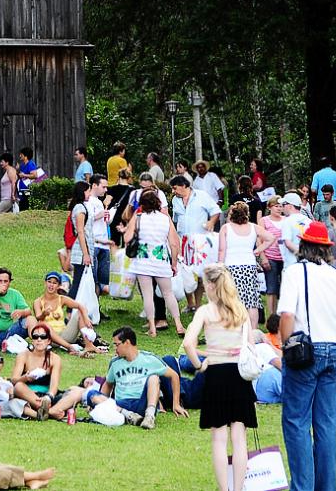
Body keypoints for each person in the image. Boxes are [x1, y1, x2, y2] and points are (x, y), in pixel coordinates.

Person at [278, 221, 336, 491]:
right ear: (326, 249)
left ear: (303, 246)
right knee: (326, 425)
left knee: (296, 422)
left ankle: (302, 487)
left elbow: (287, 315)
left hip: (305, 351)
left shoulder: (294, 272)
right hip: (333, 350)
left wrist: (286, 345)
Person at [182, 264, 258, 491]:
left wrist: (199, 364)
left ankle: (224, 489)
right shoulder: (240, 310)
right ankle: (239, 487)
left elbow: (188, 343)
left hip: (215, 373)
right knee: (239, 437)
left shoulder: (205, 311)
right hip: (239, 376)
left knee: (219, 438)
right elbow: (250, 344)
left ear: (211, 285)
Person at [122, 189, 184, 337]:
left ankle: (152, 327)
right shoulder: (165, 218)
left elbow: (127, 238)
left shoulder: (138, 218)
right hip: (161, 259)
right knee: (168, 293)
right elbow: (174, 243)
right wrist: (174, 262)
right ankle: (179, 324)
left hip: (142, 260)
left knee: (148, 294)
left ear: (142, 204)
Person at [103, 326, 186, 429]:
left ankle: (149, 417)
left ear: (127, 342)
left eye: (117, 345)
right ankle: (130, 416)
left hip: (141, 402)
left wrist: (176, 404)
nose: (115, 349)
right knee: (92, 395)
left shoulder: (149, 359)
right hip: (121, 404)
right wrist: (102, 401)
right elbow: (107, 384)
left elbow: (174, 375)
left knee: (154, 378)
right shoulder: (115, 363)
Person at [218, 200, 272, 314]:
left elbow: (222, 250)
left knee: (231, 299)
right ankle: (252, 329)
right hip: (249, 266)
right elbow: (270, 238)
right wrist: (257, 250)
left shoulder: (226, 228)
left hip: (231, 266)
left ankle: (234, 327)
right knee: (252, 302)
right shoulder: (253, 227)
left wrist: (219, 266)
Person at [29, 271, 101, 357]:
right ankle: (69, 347)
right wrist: (44, 314)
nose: (51, 285)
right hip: (48, 338)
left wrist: (85, 317)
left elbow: (80, 306)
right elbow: (38, 318)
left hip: (64, 335)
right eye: (49, 282)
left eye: (54, 283)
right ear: (45, 283)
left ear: (59, 285)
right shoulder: (38, 301)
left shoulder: (61, 299)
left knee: (80, 313)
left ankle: (89, 345)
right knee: (44, 324)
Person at [8, 323, 65, 418]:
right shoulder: (23, 356)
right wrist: (25, 378)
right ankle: (48, 411)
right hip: (26, 395)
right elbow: (14, 380)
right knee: (18, 387)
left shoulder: (55, 359)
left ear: (49, 341)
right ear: (32, 340)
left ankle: (44, 409)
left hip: (46, 396)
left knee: (71, 394)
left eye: (43, 337)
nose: (39, 340)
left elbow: (54, 386)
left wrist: (48, 397)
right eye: (35, 337)